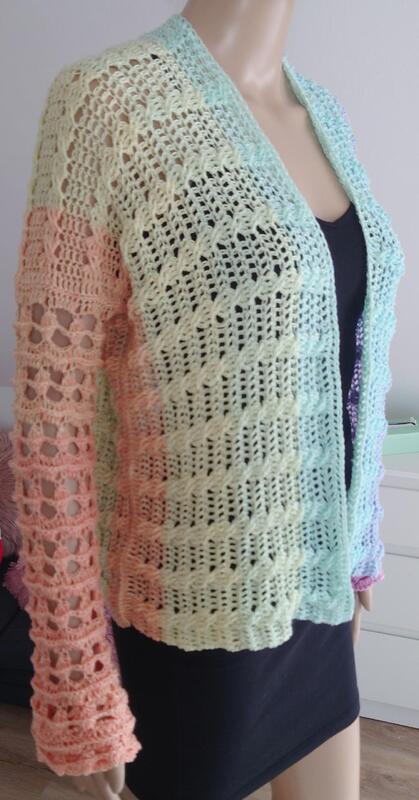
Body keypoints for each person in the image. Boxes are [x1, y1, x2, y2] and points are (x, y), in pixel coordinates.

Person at [9, 2, 405, 799]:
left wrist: (358, 546)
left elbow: (348, 359)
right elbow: (54, 425)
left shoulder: (322, 113)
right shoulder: (107, 103)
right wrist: (76, 674)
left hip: (320, 599)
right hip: (196, 620)